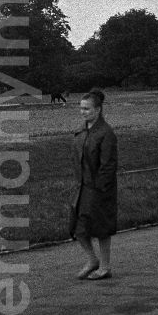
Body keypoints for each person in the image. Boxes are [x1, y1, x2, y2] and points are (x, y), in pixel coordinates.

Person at [70, 88, 118, 279]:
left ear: (98, 110)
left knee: (101, 227)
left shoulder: (106, 133)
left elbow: (109, 165)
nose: (83, 112)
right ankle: (92, 259)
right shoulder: (82, 131)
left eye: (87, 109)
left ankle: (105, 267)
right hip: (82, 187)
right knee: (77, 227)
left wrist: (99, 187)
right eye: (81, 108)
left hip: (99, 189)